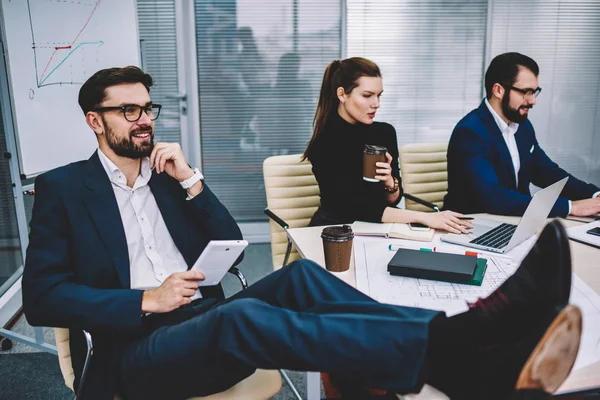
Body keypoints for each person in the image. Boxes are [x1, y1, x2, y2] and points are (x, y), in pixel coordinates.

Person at [23, 66, 580, 400]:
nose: (144, 119)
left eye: (148, 107)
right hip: (133, 350)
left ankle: (460, 337)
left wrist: (192, 181)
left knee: (303, 280)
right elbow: (42, 297)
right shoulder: (64, 189)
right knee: (246, 315)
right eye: (128, 111)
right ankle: (462, 353)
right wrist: (146, 297)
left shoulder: (169, 178)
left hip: (196, 319)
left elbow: (230, 244)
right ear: (95, 121)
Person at [303, 57, 472, 234]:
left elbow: (392, 199)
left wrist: (390, 182)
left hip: (379, 226)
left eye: (379, 95)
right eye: (367, 96)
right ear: (342, 94)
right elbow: (353, 208)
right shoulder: (325, 142)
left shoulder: (384, 133)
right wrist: (423, 216)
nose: (376, 104)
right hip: (336, 229)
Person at [444, 52, 600, 217]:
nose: (533, 101)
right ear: (498, 90)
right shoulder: (470, 132)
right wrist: (570, 207)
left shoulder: (522, 126)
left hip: (516, 222)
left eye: (534, 92)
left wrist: (593, 194)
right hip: (473, 226)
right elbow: (493, 197)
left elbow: (546, 172)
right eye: (526, 92)